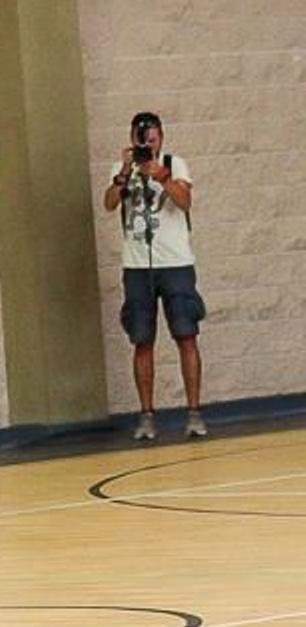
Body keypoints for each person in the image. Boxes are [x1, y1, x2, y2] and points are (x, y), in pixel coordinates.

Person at [102, 111, 208, 441]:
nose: (148, 143)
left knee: (186, 334)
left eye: (153, 137)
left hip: (175, 263)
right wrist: (124, 172)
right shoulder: (124, 171)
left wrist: (160, 175)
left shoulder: (175, 165)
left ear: (161, 136)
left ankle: (193, 412)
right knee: (142, 338)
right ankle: (147, 414)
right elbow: (108, 204)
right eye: (141, 138)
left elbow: (184, 200)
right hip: (137, 266)